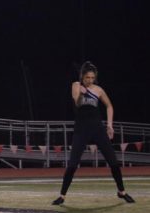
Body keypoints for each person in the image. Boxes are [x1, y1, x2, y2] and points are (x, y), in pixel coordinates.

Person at [53, 61, 134, 205]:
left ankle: (122, 192)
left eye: (92, 78)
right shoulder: (76, 86)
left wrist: (110, 125)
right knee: (72, 165)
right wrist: (81, 95)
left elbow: (109, 106)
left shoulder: (98, 89)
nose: (90, 80)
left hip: (97, 129)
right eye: (87, 78)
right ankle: (62, 195)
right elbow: (77, 104)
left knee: (114, 162)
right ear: (82, 76)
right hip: (81, 130)